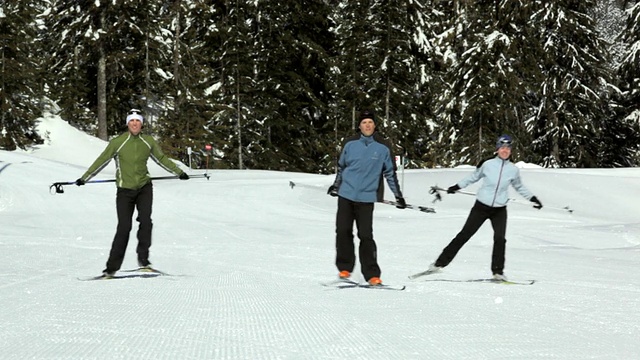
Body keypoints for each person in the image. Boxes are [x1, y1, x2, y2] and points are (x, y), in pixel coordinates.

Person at [75, 109, 189, 277]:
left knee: (146, 222)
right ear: (128, 123)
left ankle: (144, 260)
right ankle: (111, 268)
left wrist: (179, 172)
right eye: (132, 121)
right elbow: (101, 161)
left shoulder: (147, 141)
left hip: (144, 188)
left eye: (138, 121)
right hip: (124, 191)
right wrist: (85, 178)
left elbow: (161, 159)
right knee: (124, 227)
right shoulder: (118, 142)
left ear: (142, 124)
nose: (135, 124)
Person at [428, 134, 543, 281]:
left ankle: (498, 272)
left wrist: (533, 199)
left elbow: (519, 186)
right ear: (497, 149)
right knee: (465, 234)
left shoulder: (513, 170)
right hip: (481, 207)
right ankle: (439, 264)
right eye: (502, 148)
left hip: (499, 209)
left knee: (500, 239)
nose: (505, 151)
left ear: (511, 151)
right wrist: (456, 186)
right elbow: (473, 177)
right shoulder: (488, 165)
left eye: (508, 148)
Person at [327, 110, 406, 286]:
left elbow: (390, 174)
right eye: (364, 122)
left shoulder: (383, 147)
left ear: (375, 125)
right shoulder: (350, 144)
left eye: (370, 122)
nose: (367, 125)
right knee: (343, 231)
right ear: (359, 125)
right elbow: (341, 168)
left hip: (366, 198)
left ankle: (371, 274)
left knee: (366, 235)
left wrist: (398, 196)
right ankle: (345, 268)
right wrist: (336, 186)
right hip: (346, 195)